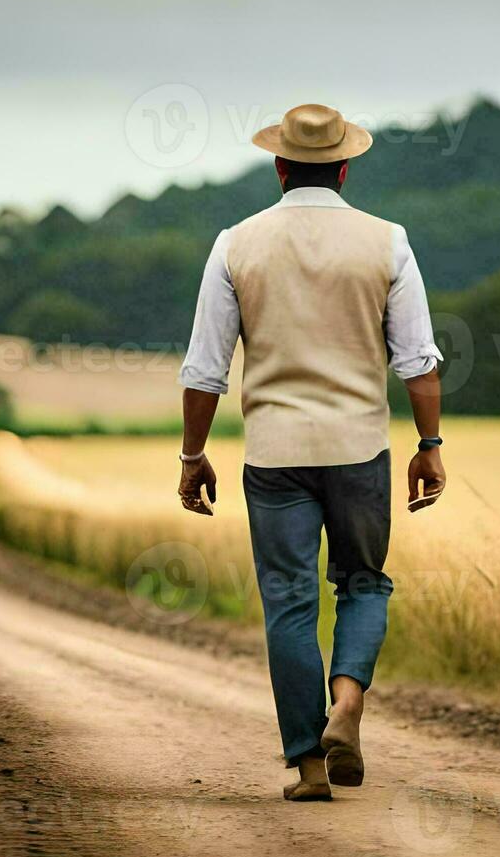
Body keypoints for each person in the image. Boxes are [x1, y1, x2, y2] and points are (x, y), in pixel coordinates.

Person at [176, 103, 446, 801]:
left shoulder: (236, 244)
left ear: (278, 166)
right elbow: (417, 360)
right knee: (362, 582)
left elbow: (206, 367)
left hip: (274, 455)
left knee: (289, 601)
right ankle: (348, 704)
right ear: (346, 168)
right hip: (360, 448)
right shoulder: (388, 242)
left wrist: (192, 455)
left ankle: (310, 765)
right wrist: (429, 445)